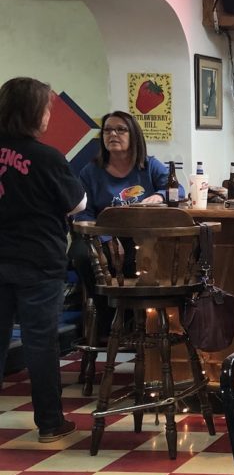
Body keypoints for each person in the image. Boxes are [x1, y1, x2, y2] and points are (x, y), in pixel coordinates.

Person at [0, 77, 87, 443]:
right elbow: (77, 204)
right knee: (40, 343)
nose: (50, 115)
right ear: (35, 112)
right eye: (48, 108)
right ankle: (50, 423)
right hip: (38, 260)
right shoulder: (46, 156)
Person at [70, 111, 181, 338]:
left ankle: (135, 323)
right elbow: (82, 214)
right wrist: (106, 238)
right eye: (108, 130)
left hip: (141, 235)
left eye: (121, 129)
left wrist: (159, 195)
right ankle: (108, 322)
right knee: (82, 255)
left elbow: (177, 190)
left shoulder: (149, 166)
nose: (113, 134)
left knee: (140, 257)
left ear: (134, 135)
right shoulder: (90, 172)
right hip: (102, 236)